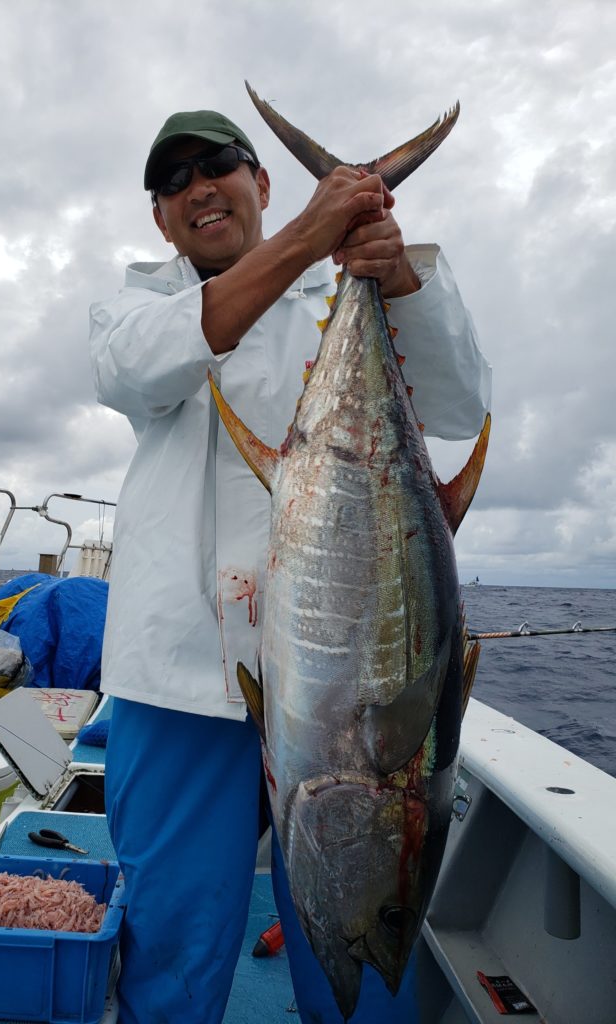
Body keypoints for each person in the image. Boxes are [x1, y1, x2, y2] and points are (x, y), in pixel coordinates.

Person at [90, 108, 491, 1024]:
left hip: (348, 678)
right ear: (160, 219)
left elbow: (464, 401)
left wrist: (399, 281)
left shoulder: (357, 283)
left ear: (260, 185)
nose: (199, 187)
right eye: (173, 181)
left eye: (221, 165)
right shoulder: (138, 304)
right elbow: (136, 374)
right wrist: (316, 231)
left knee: (358, 954)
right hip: (180, 680)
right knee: (173, 944)